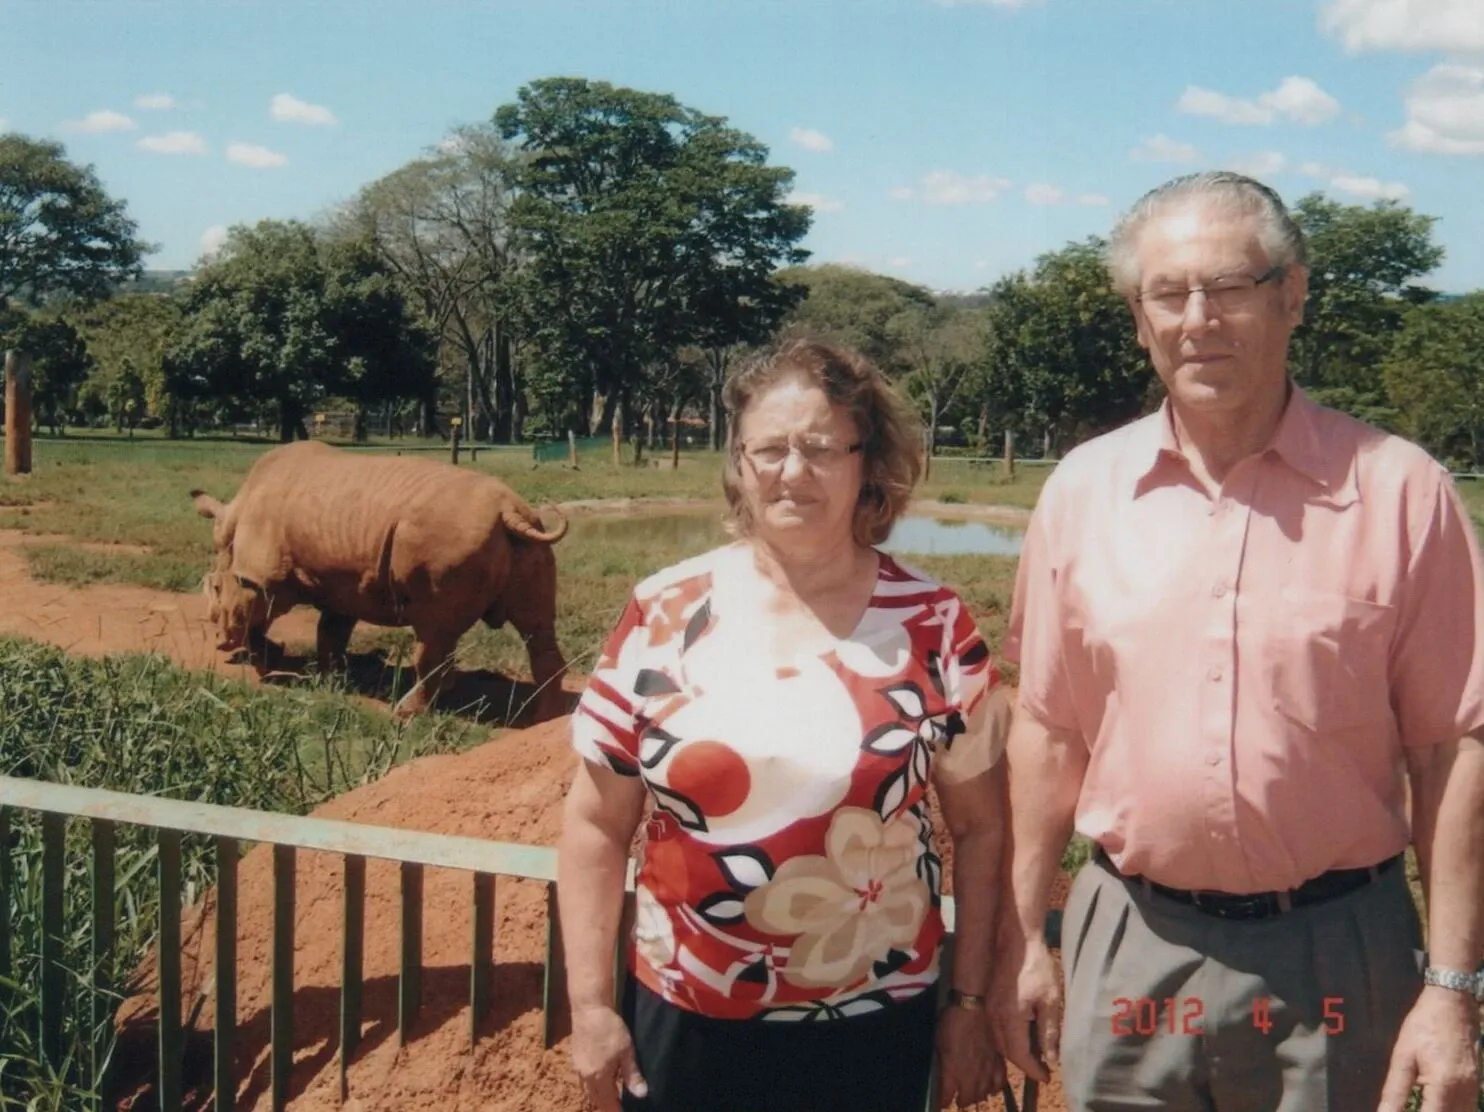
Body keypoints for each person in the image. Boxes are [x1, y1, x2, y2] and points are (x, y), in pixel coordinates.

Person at [989, 169, 1484, 1112]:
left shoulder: (1402, 492)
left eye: (1230, 287)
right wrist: (1022, 939)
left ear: (1291, 295)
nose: (1197, 319)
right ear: (1138, 318)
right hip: (1130, 941)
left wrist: (1453, 989)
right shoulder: (1081, 495)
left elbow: (1451, 749)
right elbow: (1048, 732)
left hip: (1336, 951)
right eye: (1168, 294)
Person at [557, 337, 1012, 1112]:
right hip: (682, 1011)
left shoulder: (937, 622)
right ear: (738, 461)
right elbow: (596, 825)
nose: (793, 472)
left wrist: (968, 1004)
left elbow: (984, 828)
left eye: (822, 448)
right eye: (769, 448)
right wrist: (593, 1009)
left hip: (872, 1024)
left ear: (869, 462)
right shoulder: (662, 609)